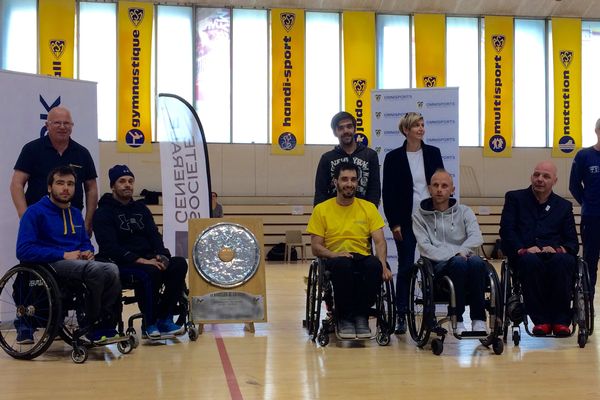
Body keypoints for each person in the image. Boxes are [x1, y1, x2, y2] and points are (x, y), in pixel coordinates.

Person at [16, 165, 121, 343]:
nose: (66, 188)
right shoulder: (34, 212)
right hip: (50, 264)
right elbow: (23, 250)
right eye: (60, 183)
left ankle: (106, 324)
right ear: (50, 187)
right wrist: (63, 254)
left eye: (70, 184)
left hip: (77, 264)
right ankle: (90, 325)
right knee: (94, 271)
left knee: (112, 269)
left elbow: (84, 242)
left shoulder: (75, 213)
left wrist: (89, 251)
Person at [93, 165, 188, 338]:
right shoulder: (103, 212)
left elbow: (154, 235)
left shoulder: (141, 209)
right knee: (150, 272)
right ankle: (149, 324)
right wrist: (141, 260)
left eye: (130, 181)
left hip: (149, 259)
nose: (127, 185)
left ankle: (164, 318)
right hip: (120, 262)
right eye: (122, 181)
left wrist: (163, 255)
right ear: (113, 186)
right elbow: (110, 247)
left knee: (179, 264)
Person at [307, 162, 392, 339]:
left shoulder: (368, 207)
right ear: (335, 182)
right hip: (334, 257)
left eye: (353, 179)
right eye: (344, 179)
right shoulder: (321, 209)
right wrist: (334, 254)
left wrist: (383, 265)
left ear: (358, 182)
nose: (349, 183)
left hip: (361, 255)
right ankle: (344, 318)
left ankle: (361, 316)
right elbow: (316, 247)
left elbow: (380, 241)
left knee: (374, 267)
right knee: (343, 265)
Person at [500, 161, 579, 337]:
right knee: (529, 262)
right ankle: (541, 320)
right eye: (537, 175)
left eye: (546, 176)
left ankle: (560, 320)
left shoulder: (563, 206)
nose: (540, 179)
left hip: (554, 254)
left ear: (555, 181)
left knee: (564, 261)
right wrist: (522, 249)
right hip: (525, 254)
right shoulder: (515, 198)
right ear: (531, 177)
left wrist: (558, 249)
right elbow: (507, 231)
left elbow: (572, 242)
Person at [382, 112, 444, 334]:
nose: (421, 128)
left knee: (432, 268)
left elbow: (441, 185)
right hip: (405, 221)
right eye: (416, 125)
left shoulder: (433, 153)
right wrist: (394, 223)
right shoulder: (393, 158)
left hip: (430, 218)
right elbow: (388, 194)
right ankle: (401, 314)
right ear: (406, 130)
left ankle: (430, 316)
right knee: (406, 267)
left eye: (422, 124)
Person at [412, 169, 488, 334]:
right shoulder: (419, 215)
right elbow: (424, 246)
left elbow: (476, 237)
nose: (439, 189)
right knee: (460, 262)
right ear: (429, 189)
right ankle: (457, 318)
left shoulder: (464, 211)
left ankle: (478, 319)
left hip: (466, 260)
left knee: (477, 262)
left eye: (444, 185)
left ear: (452, 190)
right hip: (438, 267)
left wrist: (462, 251)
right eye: (436, 185)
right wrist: (454, 256)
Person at [10, 106, 98, 236]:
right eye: (57, 122)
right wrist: (25, 218)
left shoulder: (82, 153)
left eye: (66, 123)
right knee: (40, 255)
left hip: (72, 221)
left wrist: (88, 221)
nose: (62, 127)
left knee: (74, 256)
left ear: (72, 126)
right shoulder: (32, 149)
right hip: (39, 221)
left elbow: (91, 188)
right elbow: (16, 184)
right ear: (47, 125)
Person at [313, 111, 380, 206]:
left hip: (362, 214)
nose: (346, 131)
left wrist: (371, 212)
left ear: (355, 129)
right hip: (335, 214)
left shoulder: (370, 155)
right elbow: (320, 192)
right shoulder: (327, 158)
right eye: (341, 128)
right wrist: (319, 215)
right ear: (335, 132)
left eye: (349, 126)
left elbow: (374, 189)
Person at [569, 117, 600, 297]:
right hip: (592, 217)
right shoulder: (584, 156)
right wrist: (587, 203)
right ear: (596, 131)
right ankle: (588, 297)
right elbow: (574, 185)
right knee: (590, 259)